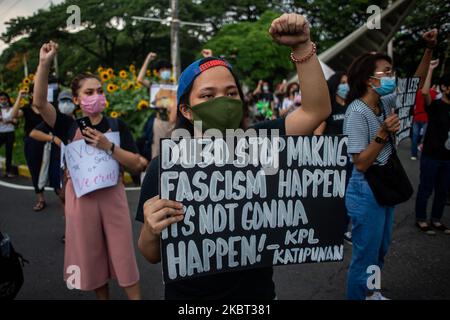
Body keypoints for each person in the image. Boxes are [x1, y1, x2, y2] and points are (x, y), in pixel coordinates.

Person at [136, 12, 331, 300]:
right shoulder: (166, 167)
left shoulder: (262, 143)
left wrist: (302, 47)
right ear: (187, 110)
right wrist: (152, 230)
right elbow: (151, 255)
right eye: (207, 95)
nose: (222, 103)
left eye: (231, 93)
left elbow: (316, 110)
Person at [33, 41, 147, 299]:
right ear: (76, 99)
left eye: (99, 90)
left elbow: (138, 163)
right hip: (81, 201)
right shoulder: (67, 126)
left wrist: (109, 147)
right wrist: (44, 64)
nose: (96, 95)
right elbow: (39, 103)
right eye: (88, 92)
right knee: (92, 257)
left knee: (123, 254)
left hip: (113, 198)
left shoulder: (117, 126)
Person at [343, 29, 438, 300]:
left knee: (380, 249)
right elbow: (360, 163)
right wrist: (383, 133)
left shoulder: (384, 102)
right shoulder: (356, 112)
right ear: (369, 78)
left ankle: (371, 292)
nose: (392, 77)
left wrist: (429, 49)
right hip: (366, 188)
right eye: (387, 72)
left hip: (383, 184)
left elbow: (414, 85)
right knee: (365, 254)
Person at [414, 62, 450, 235]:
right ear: (445, 87)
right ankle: (421, 219)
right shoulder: (436, 106)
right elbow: (425, 92)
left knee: (442, 191)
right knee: (426, 189)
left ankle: (436, 219)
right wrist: (430, 70)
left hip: (447, 158)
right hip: (431, 156)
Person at [137, 53, 177, 160]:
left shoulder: (176, 87)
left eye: (167, 69)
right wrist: (148, 59)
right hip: (159, 122)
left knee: (174, 151)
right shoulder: (154, 86)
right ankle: (156, 174)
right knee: (157, 151)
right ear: (158, 73)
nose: (165, 72)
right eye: (162, 70)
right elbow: (140, 79)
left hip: (174, 123)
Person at [410, 59, 439, 160]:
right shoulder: (432, 93)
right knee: (424, 138)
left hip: (416, 117)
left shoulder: (417, 93)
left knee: (415, 137)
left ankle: (413, 155)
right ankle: (422, 153)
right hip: (426, 118)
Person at [0, 91, 23, 178]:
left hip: (10, 133)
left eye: (4, 99)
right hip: (0, 133)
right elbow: (10, 119)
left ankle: (8, 171)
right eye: (1, 99)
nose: (3, 101)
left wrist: (6, 120)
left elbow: (15, 120)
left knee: (8, 152)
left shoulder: (12, 109)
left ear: (8, 100)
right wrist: (10, 120)